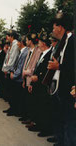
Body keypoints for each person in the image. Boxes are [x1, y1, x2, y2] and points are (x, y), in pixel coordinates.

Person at [47, 11, 75, 145]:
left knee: (70, 126)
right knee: (63, 121)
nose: (53, 30)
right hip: (62, 91)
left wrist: (59, 66)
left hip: (70, 92)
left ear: (60, 27)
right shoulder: (64, 42)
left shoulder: (73, 41)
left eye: (54, 27)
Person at [9, 35, 29, 116]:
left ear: (21, 43)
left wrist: (14, 75)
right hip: (16, 76)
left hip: (19, 78)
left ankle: (16, 111)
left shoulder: (25, 52)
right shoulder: (21, 51)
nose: (17, 43)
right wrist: (11, 71)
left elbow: (21, 67)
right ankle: (12, 109)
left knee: (17, 96)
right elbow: (16, 64)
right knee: (14, 95)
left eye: (18, 42)